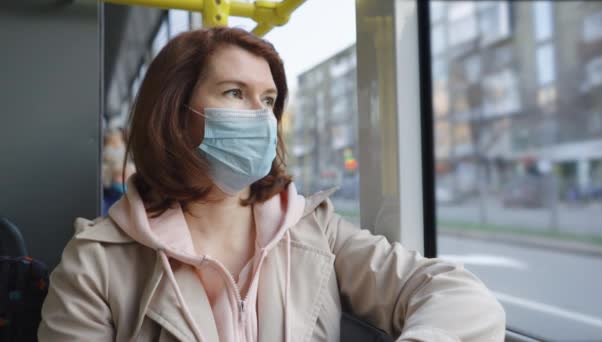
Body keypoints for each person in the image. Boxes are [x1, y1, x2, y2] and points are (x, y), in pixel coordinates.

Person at [38, 27, 505, 341]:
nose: (261, 117)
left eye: (268, 100)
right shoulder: (95, 262)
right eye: (234, 93)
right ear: (175, 113)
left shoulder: (312, 231)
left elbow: (455, 294)